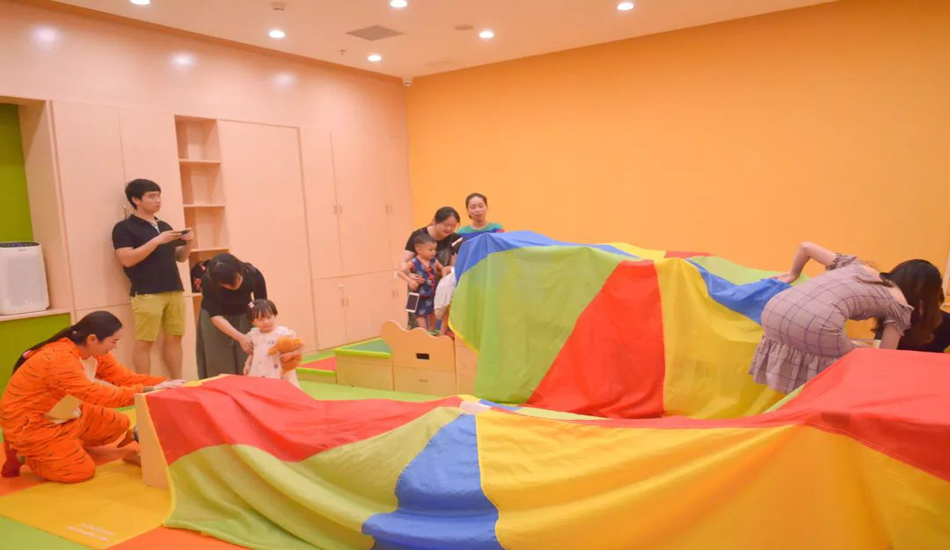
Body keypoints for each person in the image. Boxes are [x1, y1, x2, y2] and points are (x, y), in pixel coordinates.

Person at [0, 312, 185, 483]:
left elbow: (124, 378)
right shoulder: (58, 359)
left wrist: (166, 383)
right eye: (113, 341)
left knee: (119, 423)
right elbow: (97, 394)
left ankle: (65, 446)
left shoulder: (95, 353)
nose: (115, 347)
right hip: (33, 424)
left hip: (64, 412)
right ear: (92, 339)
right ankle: (23, 454)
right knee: (80, 472)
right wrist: (147, 389)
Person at [749, 242, 944, 394]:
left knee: (850, 350)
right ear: (926, 294)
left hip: (775, 309)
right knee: (853, 369)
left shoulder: (859, 267)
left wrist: (793, 273)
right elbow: (884, 358)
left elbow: (806, 246)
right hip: (816, 324)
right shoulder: (900, 304)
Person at [112, 179, 194, 378]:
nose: (158, 200)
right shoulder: (124, 228)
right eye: (152, 196)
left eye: (159, 196)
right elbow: (127, 259)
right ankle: (145, 386)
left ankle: (177, 381)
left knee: (175, 338)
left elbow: (180, 257)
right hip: (147, 292)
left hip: (174, 289)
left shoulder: (164, 225)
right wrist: (157, 240)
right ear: (136, 200)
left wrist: (189, 243)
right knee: (145, 341)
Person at [196, 253, 268, 379]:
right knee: (220, 363)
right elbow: (215, 316)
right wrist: (240, 337)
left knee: (249, 361)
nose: (234, 287)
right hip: (217, 321)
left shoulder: (252, 274)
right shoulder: (208, 281)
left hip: (244, 317)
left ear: (240, 271)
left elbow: (261, 305)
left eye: (237, 280)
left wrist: (263, 328)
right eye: (227, 285)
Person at [401, 207, 461, 327]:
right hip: (416, 286)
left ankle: (435, 335)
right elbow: (403, 261)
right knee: (413, 316)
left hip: (438, 287)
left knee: (438, 316)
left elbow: (455, 266)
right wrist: (409, 276)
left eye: (453, 226)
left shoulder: (455, 239)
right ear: (434, 221)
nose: (449, 229)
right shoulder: (418, 235)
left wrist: (447, 270)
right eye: (446, 225)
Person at [243, 299, 303, 388]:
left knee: (283, 390)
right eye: (260, 319)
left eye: (269, 317)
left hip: (279, 371)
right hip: (259, 370)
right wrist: (247, 364)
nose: (266, 322)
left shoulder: (284, 333)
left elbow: (300, 346)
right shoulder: (254, 334)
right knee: (262, 389)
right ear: (253, 322)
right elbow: (253, 352)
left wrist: (292, 354)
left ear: (274, 315)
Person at [398, 234, 444, 330]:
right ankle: (424, 332)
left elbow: (443, 269)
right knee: (420, 314)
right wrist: (410, 281)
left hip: (432, 292)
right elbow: (400, 272)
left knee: (432, 311)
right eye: (430, 250)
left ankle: (432, 331)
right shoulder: (413, 262)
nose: (433, 252)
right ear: (419, 250)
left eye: (434, 249)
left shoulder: (434, 261)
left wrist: (442, 276)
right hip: (418, 294)